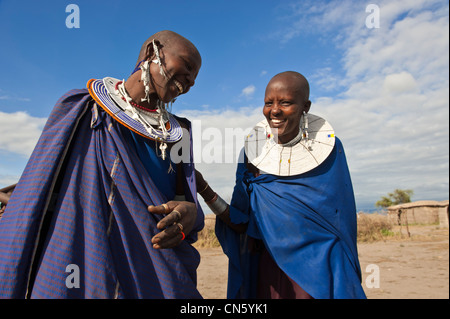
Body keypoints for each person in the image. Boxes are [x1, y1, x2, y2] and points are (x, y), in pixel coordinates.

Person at [0, 30, 205, 298]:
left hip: (153, 268)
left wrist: (189, 213)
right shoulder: (82, 110)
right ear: (151, 53)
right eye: (187, 66)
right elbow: (41, 184)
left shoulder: (179, 134)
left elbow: (187, 203)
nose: (189, 81)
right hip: (81, 259)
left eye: (194, 77)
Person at [196, 71, 367, 299]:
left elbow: (338, 217)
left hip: (320, 268)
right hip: (269, 269)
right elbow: (241, 221)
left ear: (305, 106)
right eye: (268, 103)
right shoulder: (251, 156)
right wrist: (205, 190)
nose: (274, 110)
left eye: (285, 103)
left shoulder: (329, 150)